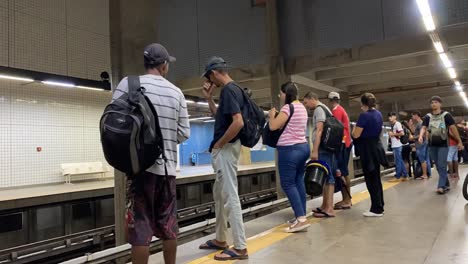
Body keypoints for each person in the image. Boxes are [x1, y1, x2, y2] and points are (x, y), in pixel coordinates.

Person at [112, 43, 190, 264]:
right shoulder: (176, 93)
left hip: (139, 169)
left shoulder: (128, 84)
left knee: (140, 230)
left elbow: (116, 122)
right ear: (164, 66)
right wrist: (164, 138)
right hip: (167, 170)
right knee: (168, 227)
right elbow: (184, 133)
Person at [198, 57, 248, 261]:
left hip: (225, 150)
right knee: (219, 195)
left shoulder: (228, 90)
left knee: (229, 197)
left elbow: (238, 123)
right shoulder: (233, 90)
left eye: (210, 77)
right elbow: (221, 117)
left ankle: (240, 247)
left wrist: (219, 144)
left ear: (214, 73)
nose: (211, 81)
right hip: (227, 149)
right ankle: (220, 239)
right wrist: (209, 98)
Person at [268, 82, 310, 232]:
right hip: (303, 147)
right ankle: (302, 215)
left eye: (281, 93)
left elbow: (273, 126)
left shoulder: (288, 107)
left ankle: (301, 219)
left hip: (290, 150)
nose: (280, 96)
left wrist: (272, 116)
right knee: (298, 181)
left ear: (286, 93)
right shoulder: (302, 108)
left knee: (287, 183)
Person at [352, 93, 388, 217]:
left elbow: (356, 134)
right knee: (376, 179)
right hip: (377, 148)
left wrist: (354, 129)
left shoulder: (364, 116)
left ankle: (376, 209)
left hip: (367, 150)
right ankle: (379, 205)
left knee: (370, 179)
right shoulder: (378, 114)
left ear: (363, 104)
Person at [419, 96, 463, 194]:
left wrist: (459, 141)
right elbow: (423, 127)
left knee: (442, 165)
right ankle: (446, 184)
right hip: (432, 145)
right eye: (432, 103)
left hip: (443, 145)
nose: (433, 104)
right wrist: (421, 136)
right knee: (438, 166)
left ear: (440, 104)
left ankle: (441, 186)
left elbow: (453, 129)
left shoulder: (446, 115)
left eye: (435, 102)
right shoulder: (428, 117)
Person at [303, 92, 337, 218]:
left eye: (306, 102)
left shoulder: (318, 109)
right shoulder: (326, 108)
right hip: (329, 147)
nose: (306, 106)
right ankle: (325, 206)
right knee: (326, 175)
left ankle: (329, 208)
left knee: (328, 176)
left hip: (323, 148)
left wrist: (315, 150)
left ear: (312, 99)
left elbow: (319, 130)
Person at [327, 92, 353, 210]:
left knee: (342, 172)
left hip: (342, 144)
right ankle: (346, 199)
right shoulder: (341, 109)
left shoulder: (336, 111)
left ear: (330, 100)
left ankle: (347, 200)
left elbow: (335, 129)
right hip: (346, 143)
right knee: (343, 172)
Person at [388, 112, 409, 182]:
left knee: (398, 161)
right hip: (395, 145)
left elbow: (402, 133)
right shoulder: (393, 124)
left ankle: (398, 176)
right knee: (400, 160)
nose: (389, 118)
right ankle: (405, 175)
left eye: (391, 116)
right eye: (389, 117)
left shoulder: (397, 124)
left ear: (395, 117)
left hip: (397, 145)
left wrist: (392, 134)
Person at [411, 111, 431, 179]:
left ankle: (425, 175)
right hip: (425, 143)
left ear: (416, 115)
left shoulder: (420, 123)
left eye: (413, 115)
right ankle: (429, 174)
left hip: (420, 144)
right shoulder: (421, 123)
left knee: (422, 159)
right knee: (427, 159)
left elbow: (422, 134)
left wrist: (413, 137)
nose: (412, 117)